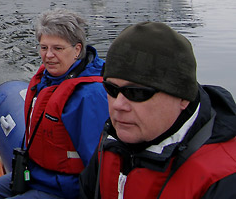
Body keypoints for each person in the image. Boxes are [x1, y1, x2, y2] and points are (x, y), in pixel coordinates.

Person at [79, 22, 236, 198]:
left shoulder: (225, 179)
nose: (118, 105)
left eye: (137, 93)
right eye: (112, 89)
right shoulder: (111, 140)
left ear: (183, 97)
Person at [0, 9, 109, 199]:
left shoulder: (89, 96)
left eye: (57, 48)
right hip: (35, 175)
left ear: (77, 50)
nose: (48, 55)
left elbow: (99, 164)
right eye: (44, 48)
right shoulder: (47, 79)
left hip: (65, 189)